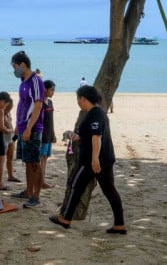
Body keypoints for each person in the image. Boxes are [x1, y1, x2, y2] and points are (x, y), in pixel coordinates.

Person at [49, 85, 126, 235]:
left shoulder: (95, 114)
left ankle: (65, 219)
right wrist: (77, 136)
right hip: (104, 159)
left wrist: (95, 160)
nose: (78, 103)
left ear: (83, 99)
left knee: (75, 185)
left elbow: (97, 137)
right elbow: (90, 135)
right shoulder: (97, 113)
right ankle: (119, 224)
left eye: (78, 100)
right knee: (109, 191)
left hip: (93, 161)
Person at [10, 50, 44, 209]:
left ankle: (36, 196)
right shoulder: (23, 82)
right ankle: (28, 191)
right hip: (23, 127)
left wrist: (29, 128)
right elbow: (22, 104)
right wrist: (18, 126)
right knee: (27, 162)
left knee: (34, 162)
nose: (14, 70)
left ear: (22, 65)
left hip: (32, 128)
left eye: (15, 67)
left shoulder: (35, 81)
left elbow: (38, 105)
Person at [40, 80, 57, 189]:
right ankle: (41, 181)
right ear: (45, 89)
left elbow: (51, 120)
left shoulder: (50, 102)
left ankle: (43, 180)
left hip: (49, 134)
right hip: (43, 135)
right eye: (51, 90)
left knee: (45, 158)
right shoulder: (40, 103)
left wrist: (53, 134)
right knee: (41, 158)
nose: (53, 92)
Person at [3, 98, 21, 183]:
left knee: (10, 158)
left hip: (10, 137)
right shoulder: (0, 113)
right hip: (3, 138)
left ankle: (10, 176)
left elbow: (10, 124)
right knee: (1, 159)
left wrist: (14, 135)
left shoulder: (8, 113)